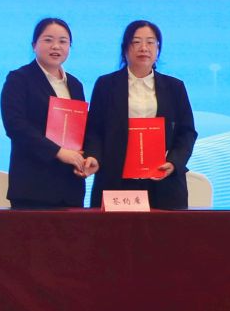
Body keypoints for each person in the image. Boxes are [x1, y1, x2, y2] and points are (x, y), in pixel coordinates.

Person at [83, 19, 198, 209]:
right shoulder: (106, 85)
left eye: (150, 42)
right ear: (125, 48)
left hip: (162, 181)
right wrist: (94, 156)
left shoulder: (175, 87)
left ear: (158, 49)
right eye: (136, 42)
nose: (144, 48)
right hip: (117, 180)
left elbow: (187, 132)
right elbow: (94, 130)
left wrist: (173, 162)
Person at [0, 16, 99, 209]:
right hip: (33, 187)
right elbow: (15, 126)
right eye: (48, 40)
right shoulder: (19, 79)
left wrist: (91, 157)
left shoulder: (75, 84)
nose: (56, 46)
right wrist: (58, 152)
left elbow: (84, 128)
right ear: (34, 45)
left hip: (70, 186)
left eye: (63, 41)